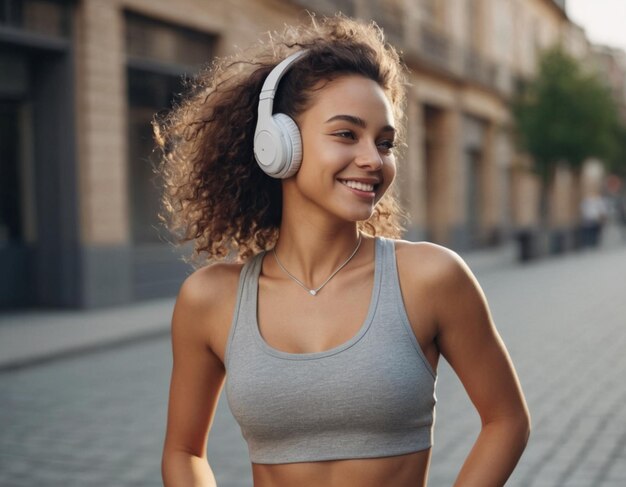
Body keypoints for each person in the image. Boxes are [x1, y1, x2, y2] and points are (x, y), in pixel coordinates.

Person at [156, 15, 530, 487]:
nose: (373, 159)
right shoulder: (209, 300)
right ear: (279, 145)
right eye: (346, 134)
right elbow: (184, 451)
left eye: (385, 142)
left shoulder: (430, 278)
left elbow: (507, 421)